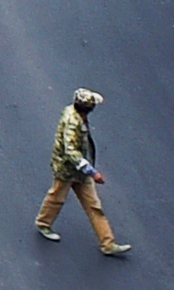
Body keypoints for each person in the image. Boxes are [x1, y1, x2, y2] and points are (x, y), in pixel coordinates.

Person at [34, 88, 128, 255]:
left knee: (94, 205)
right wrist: (92, 172)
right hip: (67, 169)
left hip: (79, 172)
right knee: (57, 197)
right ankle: (43, 223)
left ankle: (107, 243)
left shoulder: (75, 114)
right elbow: (70, 152)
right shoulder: (73, 122)